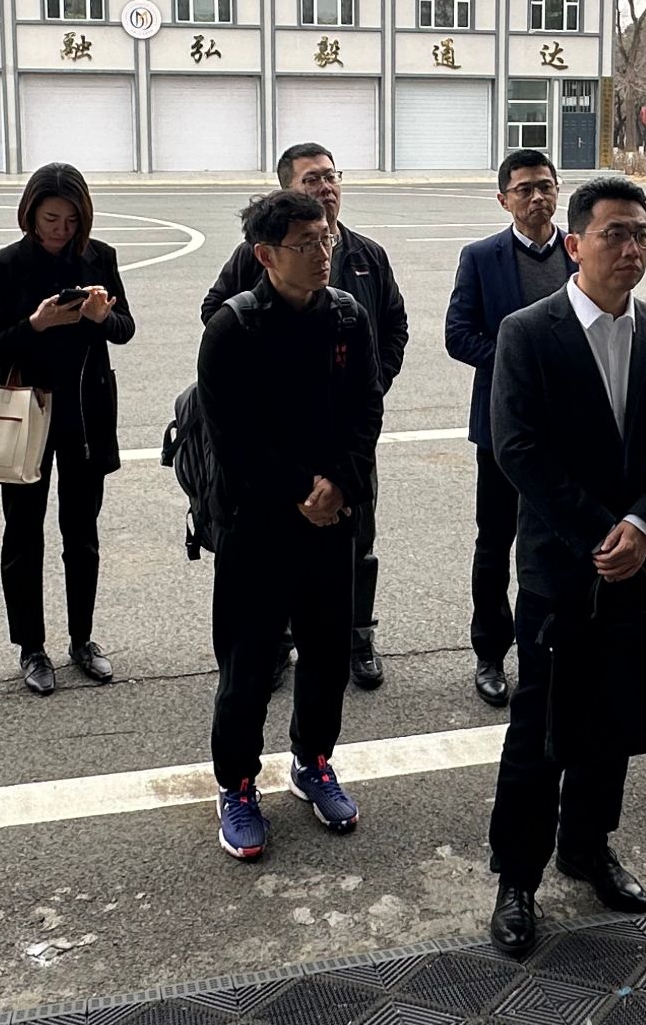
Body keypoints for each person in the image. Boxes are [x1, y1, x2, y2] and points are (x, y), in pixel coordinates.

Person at [484, 174, 646, 958]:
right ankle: (518, 877)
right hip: (563, 568)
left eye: (642, 233)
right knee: (540, 730)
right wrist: (600, 531)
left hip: (640, 567)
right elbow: (517, 448)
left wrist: (643, 525)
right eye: (615, 233)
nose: (632, 247)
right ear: (575, 244)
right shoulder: (528, 332)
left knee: (614, 719)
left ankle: (588, 846)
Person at [198, 189, 385, 860]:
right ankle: (236, 784)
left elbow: (367, 408)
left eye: (325, 238)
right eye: (304, 244)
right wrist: (302, 490)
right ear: (266, 255)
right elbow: (232, 437)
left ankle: (313, 762)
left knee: (327, 654)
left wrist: (339, 484)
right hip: (257, 526)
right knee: (248, 664)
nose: (321, 252)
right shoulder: (234, 328)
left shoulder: (347, 317)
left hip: (333, 520)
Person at [201, 143, 406, 690]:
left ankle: (357, 637)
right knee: (257, 622)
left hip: (344, 453)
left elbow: (393, 327)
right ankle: (274, 645)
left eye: (331, 176)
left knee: (356, 544)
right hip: (268, 476)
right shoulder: (255, 261)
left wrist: (372, 381)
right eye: (311, 179)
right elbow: (215, 319)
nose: (325, 187)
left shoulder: (365, 255)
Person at [0, 163, 136, 695]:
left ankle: (82, 639)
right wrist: (36, 324)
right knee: (23, 534)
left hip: (86, 414)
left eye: (71, 220)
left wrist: (100, 316)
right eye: (51, 219)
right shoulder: (5, 264)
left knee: (82, 532)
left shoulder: (100, 257)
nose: (60, 230)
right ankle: (31, 646)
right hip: (27, 412)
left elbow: (125, 329)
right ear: (30, 214)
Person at [444, 149, 576, 707]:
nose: (537, 197)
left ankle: (554, 651)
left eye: (545, 186)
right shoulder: (481, 258)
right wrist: (519, 361)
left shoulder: (578, 250)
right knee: (495, 542)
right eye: (524, 189)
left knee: (565, 540)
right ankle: (490, 652)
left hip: (570, 430)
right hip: (503, 427)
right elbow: (458, 334)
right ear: (504, 200)